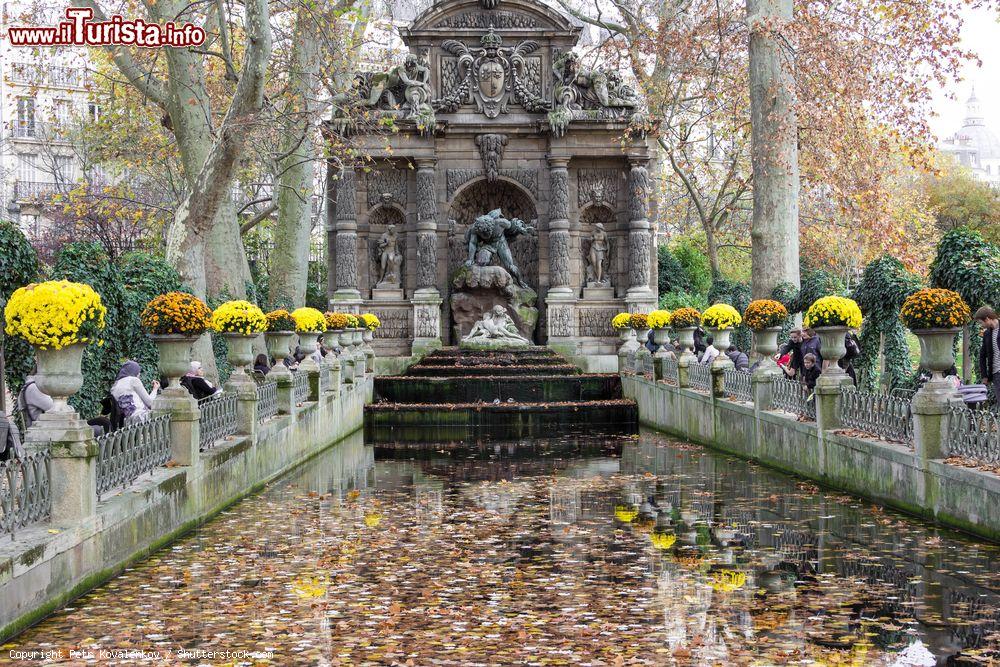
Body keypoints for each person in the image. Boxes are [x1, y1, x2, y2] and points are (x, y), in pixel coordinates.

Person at [18, 367, 112, 437]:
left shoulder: (40, 387)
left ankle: (111, 456)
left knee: (103, 421)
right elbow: (58, 409)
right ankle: (106, 457)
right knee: (99, 429)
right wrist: (69, 407)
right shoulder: (35, 388)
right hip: (50, 429)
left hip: (60, 424)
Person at [975, 306, 1000, 405]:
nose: (981, 325)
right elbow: (982, 356)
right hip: (996, 374)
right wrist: (984, 376)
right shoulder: (987, 334)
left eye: (981, 322)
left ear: (987, 319)